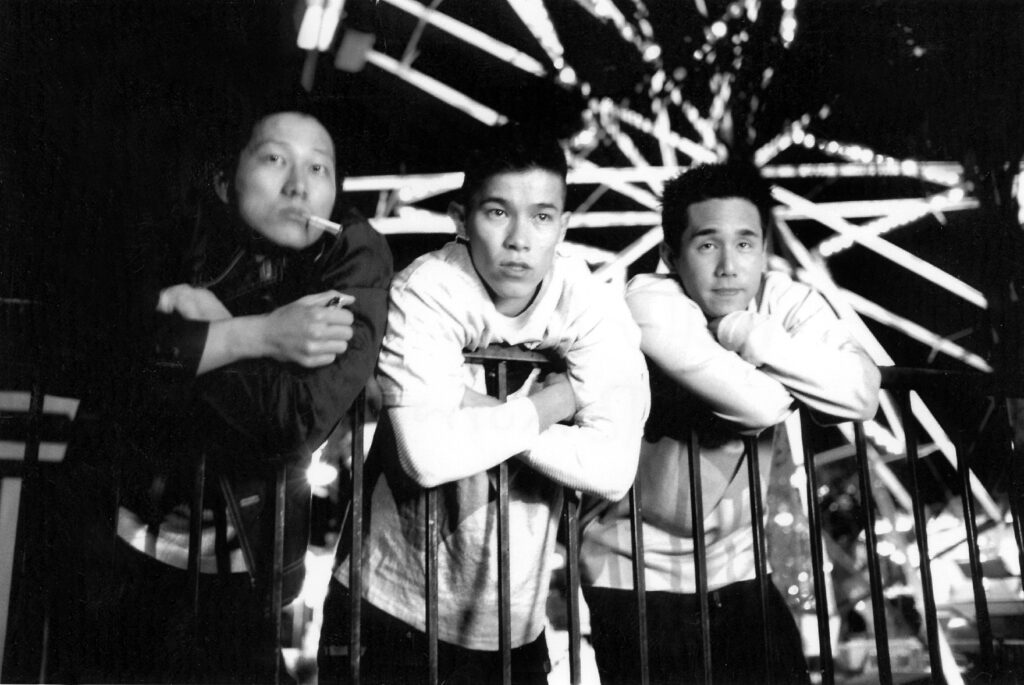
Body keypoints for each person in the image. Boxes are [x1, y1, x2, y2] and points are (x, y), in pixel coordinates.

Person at [51, 96, 393, 683]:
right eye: (273, 160)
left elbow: (298, 419)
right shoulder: (172, 234)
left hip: (249, 561)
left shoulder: (349, 255)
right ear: (225, 178)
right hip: (119, 532)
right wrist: (258, 335)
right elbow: (113, 360)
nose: (298, 187)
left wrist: (205, 334)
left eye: (319, 168)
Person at [317, 124, 649, 684]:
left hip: (516, 628)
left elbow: (613, 471)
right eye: (498, 213)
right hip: (390, 606)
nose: (520, 238)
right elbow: (426, 456)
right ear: (460, 219)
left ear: (563, 226)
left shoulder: (590, 303)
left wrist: (468, 403)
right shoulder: (426, 290)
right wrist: (554, 401)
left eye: (542, 217)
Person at [579, 161, 881, 684]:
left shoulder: (784, 299)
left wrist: (746, 332)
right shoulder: (648, 301)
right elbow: (761, 408)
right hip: (633, 571)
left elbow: (860, 395)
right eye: (706, 245)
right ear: (671, 256)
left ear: (764, 251)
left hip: (740, 565)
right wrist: (799, 373)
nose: (729, 267)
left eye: (746, 245)